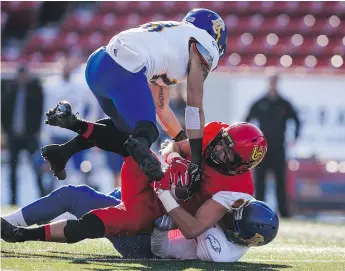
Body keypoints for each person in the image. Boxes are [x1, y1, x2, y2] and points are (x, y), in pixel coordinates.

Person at [1, 112, 268, 252]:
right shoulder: (212, 136)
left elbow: (193, 227)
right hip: (150, 191)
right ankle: (10, 226)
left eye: (227, 153)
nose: (218, 150)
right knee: (133, 137)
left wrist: (165, 193)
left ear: (241, 166)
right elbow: (171, 147)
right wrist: (174, 159)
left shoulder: (238, 189)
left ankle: (22, 233)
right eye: (222, 143)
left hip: (155, 231)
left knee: (80, 199)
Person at [48, 8, 228, 183]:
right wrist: (196, 159)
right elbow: (194, 106)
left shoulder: (172, 39)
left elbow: (162, 110)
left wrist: (182, 141)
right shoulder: (204, 44)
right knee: (147, 131)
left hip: (97, 65)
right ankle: (148, 169)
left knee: (124, 130)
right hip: (122, 69)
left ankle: (63, 151)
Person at [2, 185, 279, 262]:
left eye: (231, 218)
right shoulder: (236, 226)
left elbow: (161, 248)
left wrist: (163, 222)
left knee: (76, 196)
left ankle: (10, 228)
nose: (226, 213)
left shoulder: (217, 248)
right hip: (152, 227)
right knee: (114, 196)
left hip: (144, 243)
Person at [245, 73, 301, 217]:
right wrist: (249, 142)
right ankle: (259, 211)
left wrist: (295, 137)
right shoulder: (259, 103)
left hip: (279, 147)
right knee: (260, 182)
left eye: (275, 82)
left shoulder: (284, 104)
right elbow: (246, 122)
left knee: (280, 182)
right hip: (262, 149)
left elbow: (297, 120)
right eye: (271, 82)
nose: (273, 85)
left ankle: (284, 212)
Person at [1, 65, 45, 204]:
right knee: (12, 169)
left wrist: (36, 130)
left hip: (29, 136)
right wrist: (7, 131)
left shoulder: (34, 91)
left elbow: (40, 111)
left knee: (36, 167)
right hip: (14, 137)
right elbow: (4, 112)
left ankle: (43, 196)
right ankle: (13, 200)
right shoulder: (11, 91)